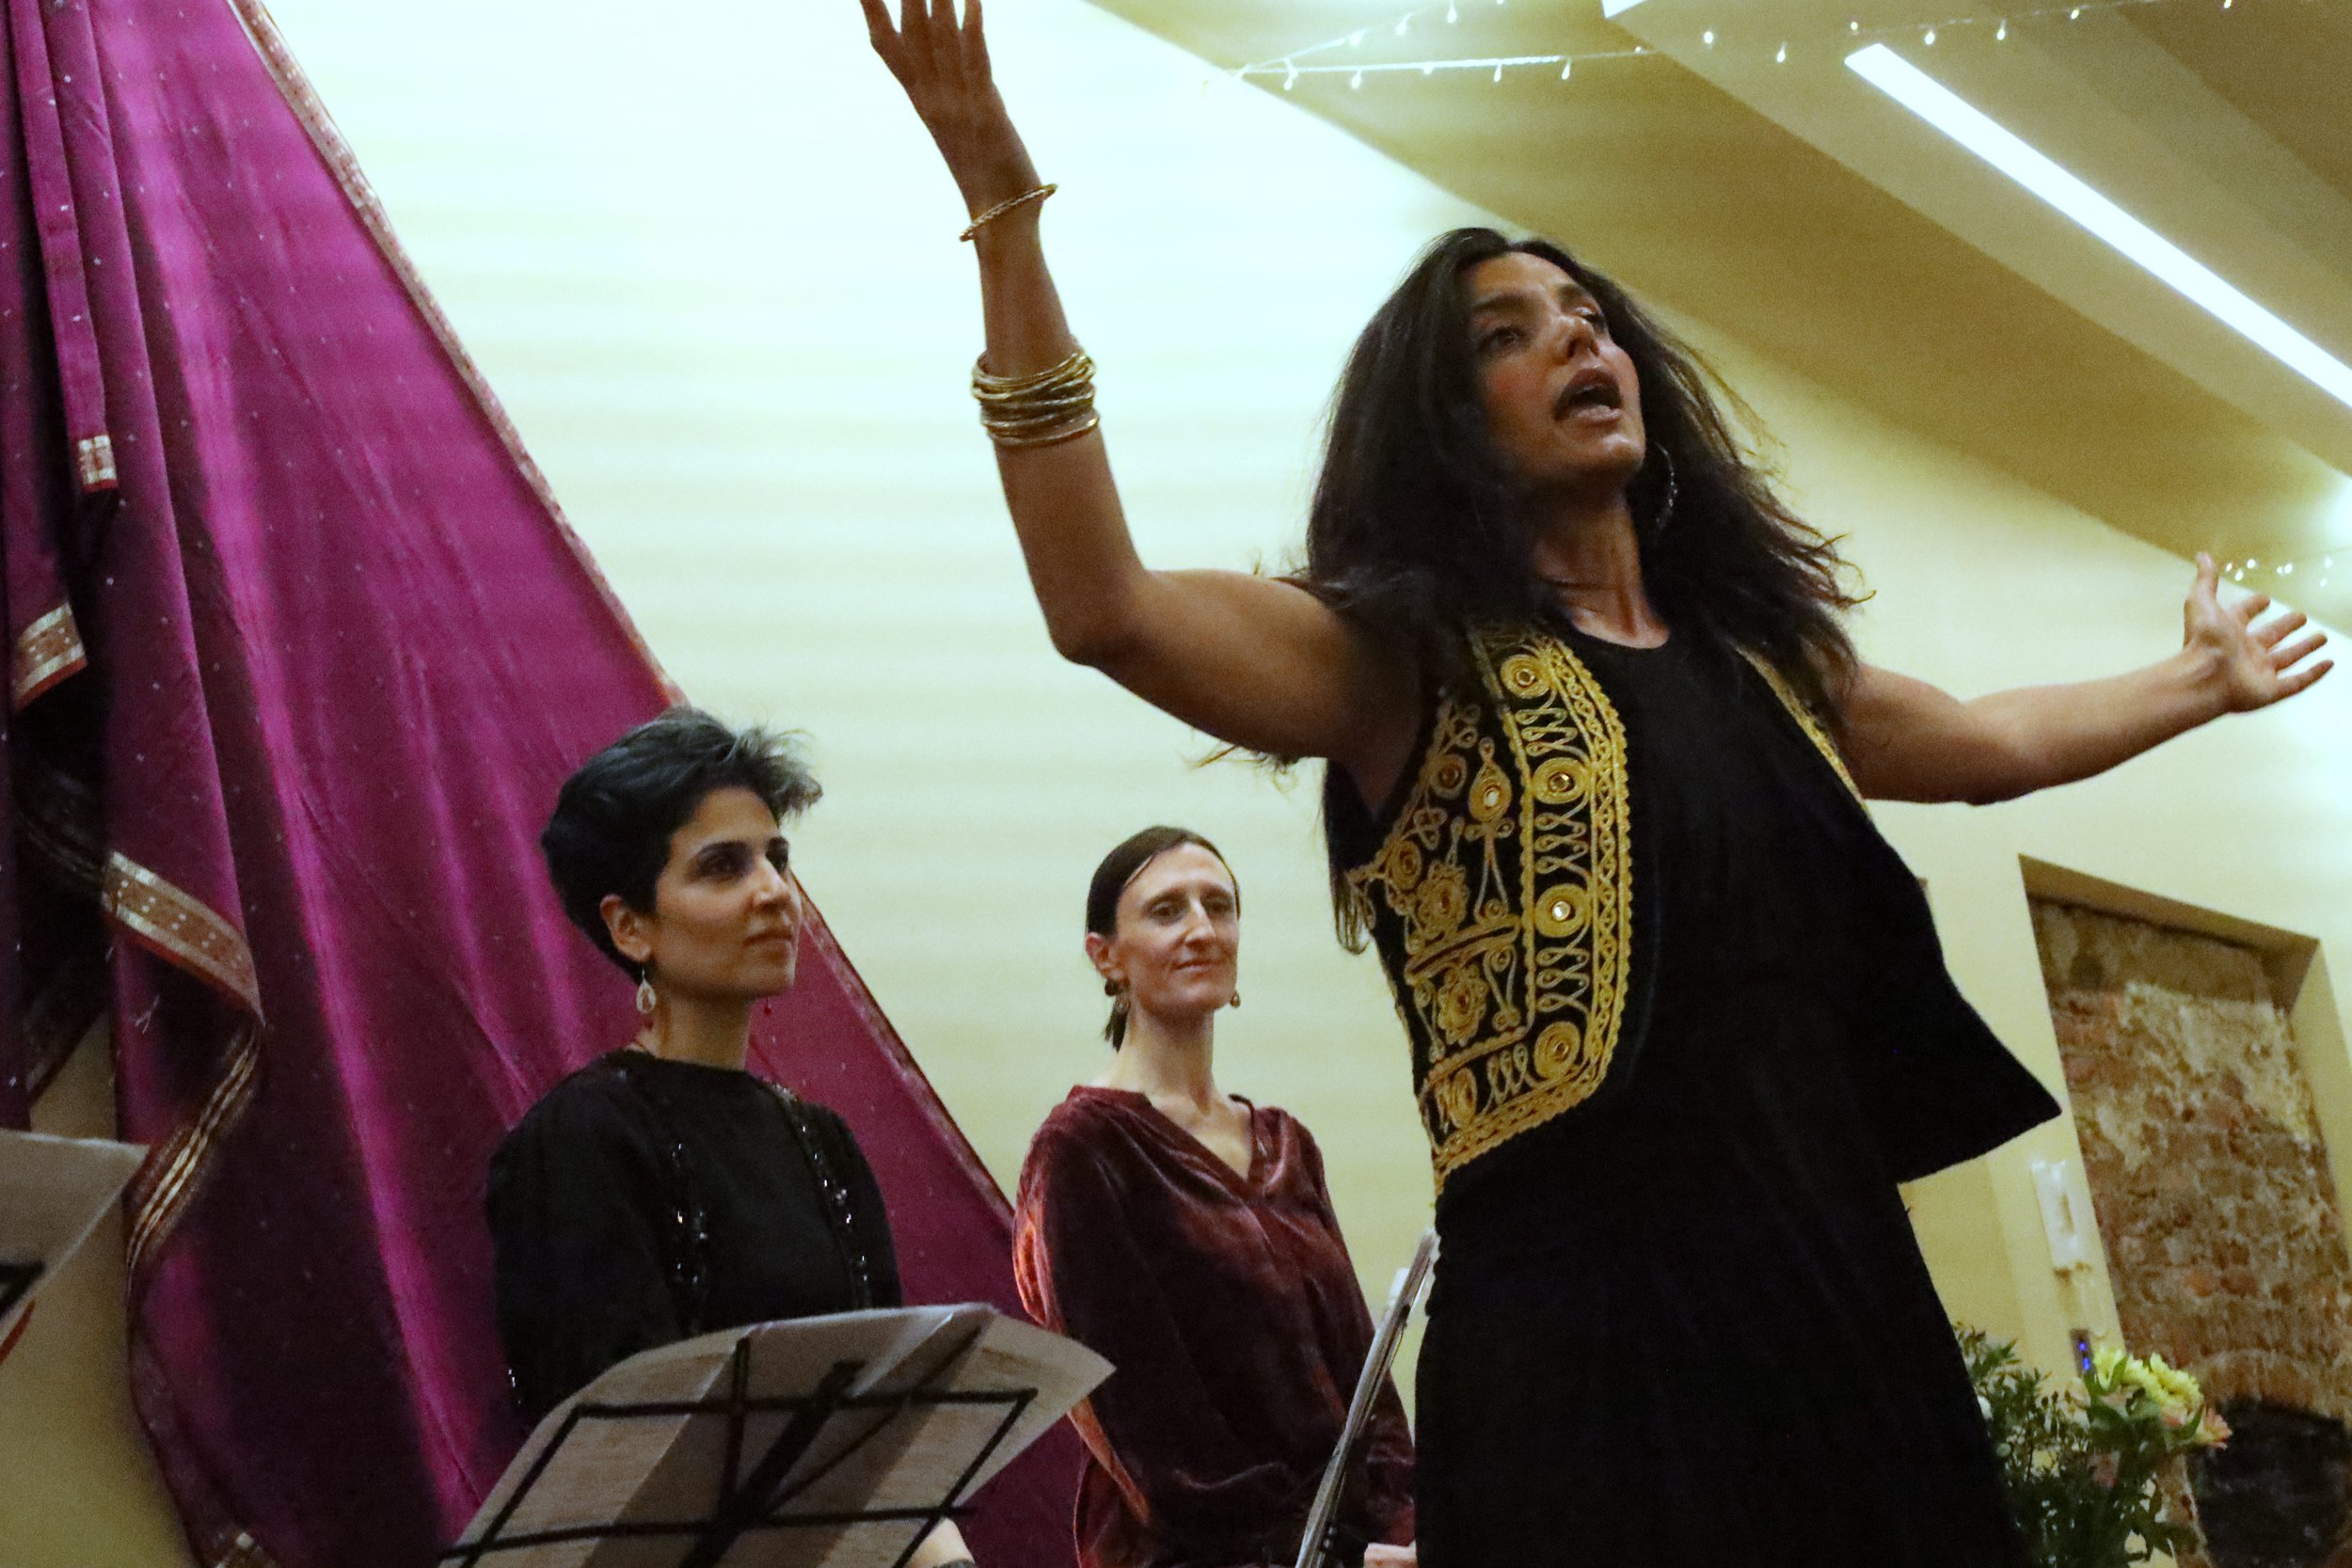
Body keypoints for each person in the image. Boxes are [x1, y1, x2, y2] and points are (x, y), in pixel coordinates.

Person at [858, 4, 2332, 1563]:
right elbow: (1103, 603)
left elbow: (1980, 741)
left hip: (1846, 1312)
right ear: (1445, 425)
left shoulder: (1761, 665)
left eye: (1589, 315)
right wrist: (1002, 210)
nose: (1578, 337)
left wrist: (2201, 682)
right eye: (1509, 332)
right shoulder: (1405, 659)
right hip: (1586, 1356)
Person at [486, 707, 977, 1568]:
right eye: (723, 866)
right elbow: (613, 1480)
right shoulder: (580, 1140)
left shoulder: (822, 1141)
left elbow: (887, 1432)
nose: (773, 891)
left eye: (777, 858)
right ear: (630, 926)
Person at [1013, 827, 1416, 1568]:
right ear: (1107, 956)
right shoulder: (1081, 1149)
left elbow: (1367, 1387)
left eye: (1219, 906)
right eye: (1167, 910)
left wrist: (1401, 1530)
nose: (1201, 927)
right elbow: (1154, 1445)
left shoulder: (1289, 1143)